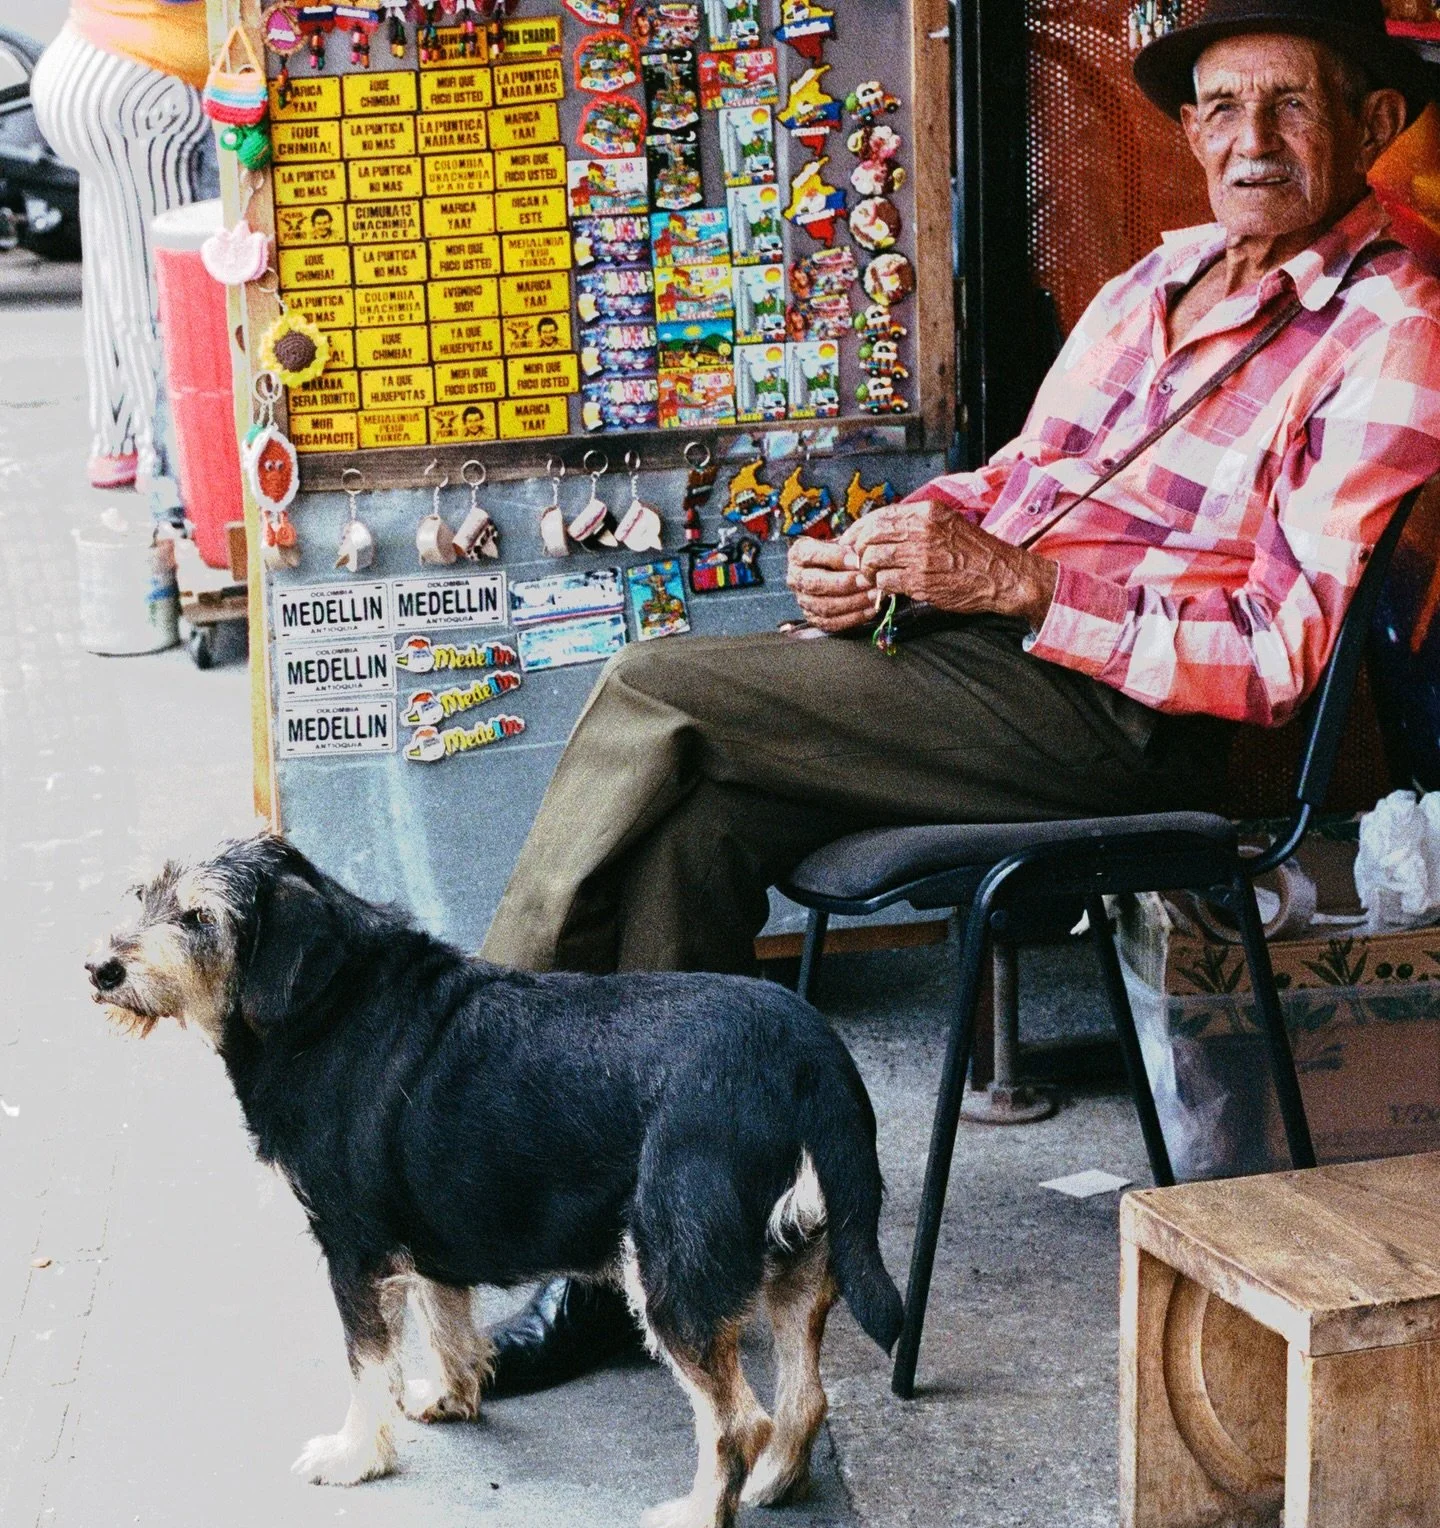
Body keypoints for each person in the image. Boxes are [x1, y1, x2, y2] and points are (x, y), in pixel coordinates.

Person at [481, 0, 1440, 1393]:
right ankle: (661, 1254)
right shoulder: (1156, 280)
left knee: (652, 688)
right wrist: (891, 551)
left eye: (1291, 106)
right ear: (1185, 130)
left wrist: (1023, 590)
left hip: (1138, 722)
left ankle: (486, 1084)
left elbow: (1283, 646)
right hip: (1004, 664)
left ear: (1371, 124)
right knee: (691, 818)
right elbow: (1017, 483)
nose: (1250, 141)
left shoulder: (1397, 323)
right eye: (1221, 109)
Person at [30, 2, 212, 489]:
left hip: (90, 62)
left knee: (117, 270)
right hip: (143, 90)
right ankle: (172, 471)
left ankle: (120, 443)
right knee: (157, 293)